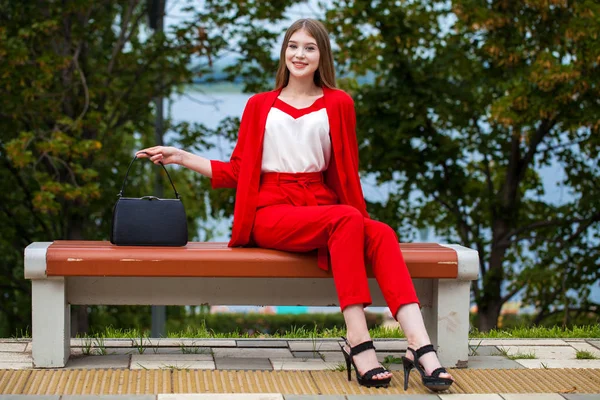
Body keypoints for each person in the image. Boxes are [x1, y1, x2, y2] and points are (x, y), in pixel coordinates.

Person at [137, 18, 454, 392]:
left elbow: (347, 172)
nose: (299, 54)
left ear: (322, 56)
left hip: (324, 207)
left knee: (381, 233)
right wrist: (181, 156)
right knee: (347, 219)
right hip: (270, 211)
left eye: (309, 48)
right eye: (293, 46)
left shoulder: (339, 103)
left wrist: (356, 221)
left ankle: (421, 345)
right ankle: (358, 338)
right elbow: (239, 170)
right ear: (284, 52)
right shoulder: (259, 106)